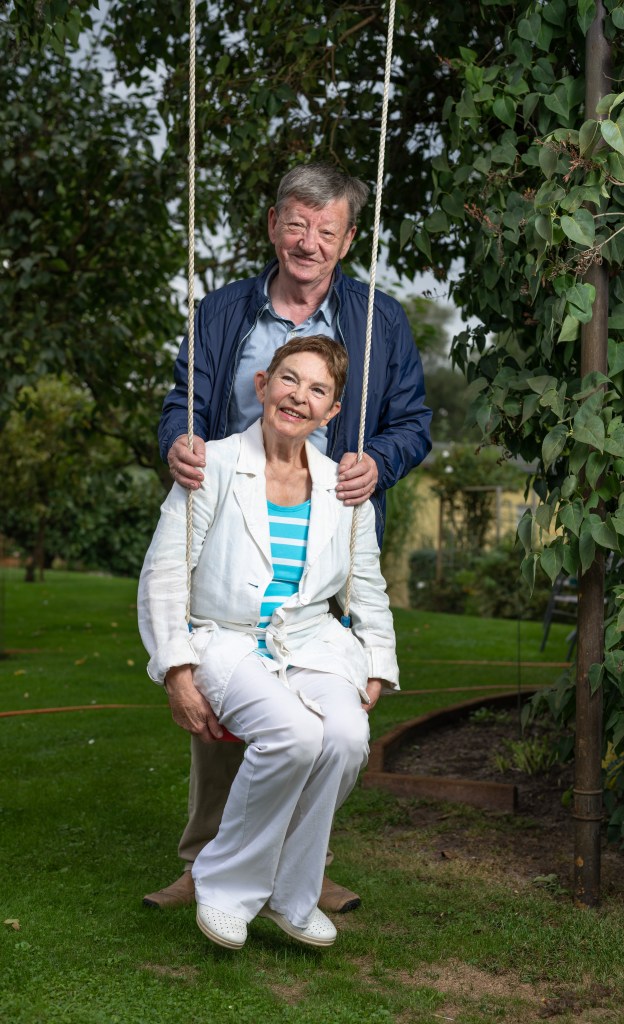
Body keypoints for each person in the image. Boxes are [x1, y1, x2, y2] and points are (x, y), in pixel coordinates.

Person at [143, 163, 431, 913]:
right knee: (226, 698)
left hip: (323, 530)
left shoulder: (380, 320)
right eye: (296, 224)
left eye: (325, 230)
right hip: (228, 519)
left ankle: (304, 863)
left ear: (347, 241)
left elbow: (413, 423)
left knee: (322, 710)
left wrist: (378, 462)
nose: (308, 242)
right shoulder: (221, 311)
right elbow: (183, 402)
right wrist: (179, 441)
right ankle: (205, 861)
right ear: (273, 225)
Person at [138, 337, 399, 949]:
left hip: (310, 641)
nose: (299, 397)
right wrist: (176, 671)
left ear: (333, 411)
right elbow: (165, 573)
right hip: (225, 639)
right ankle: (226, 887)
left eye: (317, 390)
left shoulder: (341, 484)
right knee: (294, 734)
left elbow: (366, 583)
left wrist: (378, 660)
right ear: (263, 385)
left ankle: (291, 892)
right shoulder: (213, 465)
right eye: (289, 379)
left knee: (345, 737)